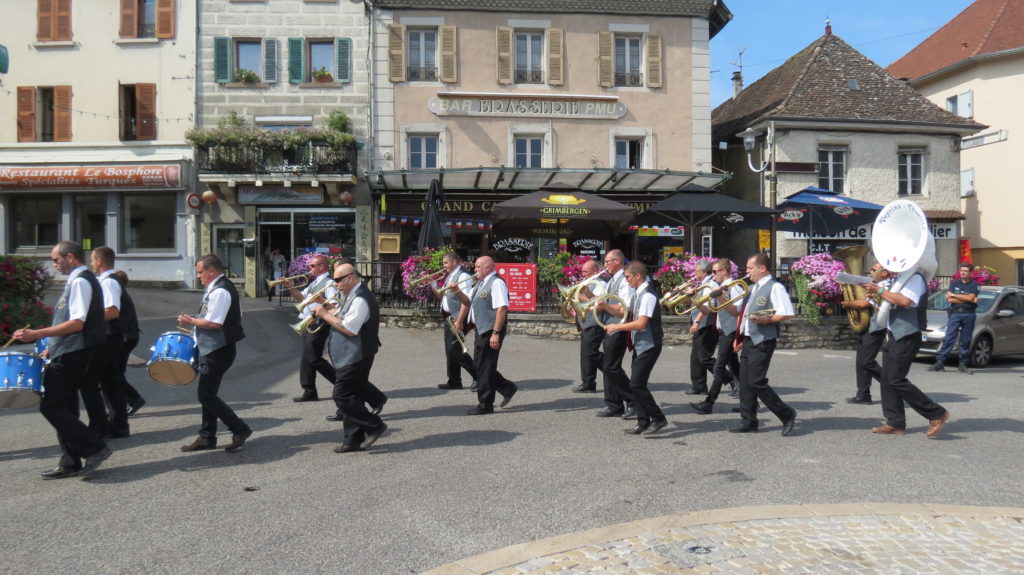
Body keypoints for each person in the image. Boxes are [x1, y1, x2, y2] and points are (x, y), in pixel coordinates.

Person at [14, 241, 112, 479]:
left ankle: (95, 447)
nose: (54, 264)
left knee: (52, 405)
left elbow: (77, 323)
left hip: (74, 353)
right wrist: (52, 346)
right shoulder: (78, 280)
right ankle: (70, 462)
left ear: (70, 257)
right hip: (68, 350)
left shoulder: (80, 282)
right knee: (65, 406)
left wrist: (37, 334)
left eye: (56, 260)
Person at [178, 254, 253, 453]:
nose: (198, 276)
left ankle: (240, 429)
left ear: (211, 271)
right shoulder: (217, 287)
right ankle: (207, 437)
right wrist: (195, 321)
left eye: (200, 272)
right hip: (214, 348)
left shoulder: (221, 291)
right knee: (208, 394)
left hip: (218, 350)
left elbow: (214, 323)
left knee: (206, 396)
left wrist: (190, 321)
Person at [863, 268, 951, 438]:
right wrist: (875, 296)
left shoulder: (914, 279)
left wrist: (879, 291)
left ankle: (936, 413)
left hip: (908, 334)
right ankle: (895, 422)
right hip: (894, 333)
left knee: (896, 379)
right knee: (887, 379)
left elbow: (905, 301)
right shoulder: (897, 279)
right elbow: (888, 303)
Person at [313, 262, 388, 452]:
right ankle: (352, 440)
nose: (335, 284)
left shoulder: (360, 298)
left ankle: (374, 425)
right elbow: (345, 316)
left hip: (356, 355)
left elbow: (349, 329)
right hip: (351, 355)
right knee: (353, 394)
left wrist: (324, 315)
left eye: (338, 280)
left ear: (350, 278)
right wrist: (328, 310)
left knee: (342, 395)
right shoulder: (352, 295)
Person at [731, 253, 797, 436]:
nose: (747, 271)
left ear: (762, 268)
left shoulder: (775, 287)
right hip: (749, 338)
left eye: (750, 268)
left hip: (763, 340)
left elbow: (787, 312)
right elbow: (738, 313)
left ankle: (786, 413)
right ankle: (748, 421)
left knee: (756, 381)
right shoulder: (752, 288)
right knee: (745, 381)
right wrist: (740, 336)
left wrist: (766, 320)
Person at [605, 262, 668, 435]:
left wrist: (616, 327)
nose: (626, 280)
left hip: (649, 345)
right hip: (640, 345)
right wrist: (601, 304)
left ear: (638, 276)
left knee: (636, 384)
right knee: (636, 385)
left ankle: (658, 418)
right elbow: (623, 310)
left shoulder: (648, 295)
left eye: (628, 277)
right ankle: (643, 421)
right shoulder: (637, 293)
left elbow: (641, 323)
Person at [458, 256, 517, 415]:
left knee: (485, 366)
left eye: (478, 267)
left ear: (488, 268)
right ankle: (507, 387)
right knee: (480, 366)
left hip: (491, 330)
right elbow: (468, 302)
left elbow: (502, 308)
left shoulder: (496, 282)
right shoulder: (480, 283)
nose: (475, 270)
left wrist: (495, 333)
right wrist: (456, 291)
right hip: (481, 329)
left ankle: (485, 404)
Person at [691, 258, 742, 414]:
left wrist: (720, 297)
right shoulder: (720, 287)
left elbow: (738, 312)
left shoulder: (735, 288)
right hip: (722, 330)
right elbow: (707, 311)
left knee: (719, 368)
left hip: (731, 331)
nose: (713, 275)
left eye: (714, 272)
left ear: (724, 271)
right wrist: (694, 299)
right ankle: (750, 402)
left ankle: (709, 403)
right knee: (736, 368)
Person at [89, 246, 130, 438]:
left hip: (109, 337)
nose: (91, 263)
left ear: (99, 261)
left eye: (92, 259)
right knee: (109, 381)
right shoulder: (108, 281)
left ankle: (107, 425)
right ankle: (119, 424)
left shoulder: (108, 282)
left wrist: (86, 318)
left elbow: (112, 311)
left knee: (95, 381)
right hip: (111, 336)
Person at [285, 255, 338, 402]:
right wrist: (290, 287)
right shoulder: (314, 283)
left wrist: (321, 302)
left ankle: (342, 384)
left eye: (312, 266)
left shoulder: (329, 283)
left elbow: (334, 306)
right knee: (306, 358)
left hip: (319, 322)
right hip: (307, 322)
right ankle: (309, 391)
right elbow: (301, 298)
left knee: (314, 358)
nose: (310, 268)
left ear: (322, 267)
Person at [594, 249, 635, 419]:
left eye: (607, 261)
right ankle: (613, 404)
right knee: (609, 367)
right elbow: (603, 303)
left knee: (611, 367)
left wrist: (604, 305)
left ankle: (633, 401)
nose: (605, 265)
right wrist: (586, 294)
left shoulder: (625, 280)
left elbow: (624, 309)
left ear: (617, 261)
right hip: (609, 326)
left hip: (619, 327)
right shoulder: (612, 280)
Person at [840, 263, 890, 404]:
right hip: (868, 325)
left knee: (866, 361)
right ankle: (863, 394)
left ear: (884, 272)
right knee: (860, 361)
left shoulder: (885, 285)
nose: (870, 272)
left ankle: (894, 385)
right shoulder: (875, 284)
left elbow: (864, 304)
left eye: (874, 270)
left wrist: (848, 303)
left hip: (876, 327)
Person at [436, 252, 478, 390]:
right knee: (449, 350)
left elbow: (466, 300)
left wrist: (460, 321)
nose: (444, 266)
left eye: (446, 263)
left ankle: (478, 376)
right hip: (449, 317)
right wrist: (433, 285)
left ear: (454, 262)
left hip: (458, 317)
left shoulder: (463, 276)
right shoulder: (451, 275)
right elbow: (445, 296)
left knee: (456, 349)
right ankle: (454, 380)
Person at [929, 262, 980, 375]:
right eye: (961, 271)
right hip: (955, 313)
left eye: (965, 271)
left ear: (970, 273)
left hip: (969, 314)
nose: (963, 273)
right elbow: (950, 299)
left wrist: (955, 295)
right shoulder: (954, 283)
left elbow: (970, 297)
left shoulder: (975, 285)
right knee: (949, 338)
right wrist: (966, 298)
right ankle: (940, 362)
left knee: (965, 340)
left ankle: (963, 364)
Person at [114, 270, 147, 417]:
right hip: (129, 337)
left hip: (125, 338)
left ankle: (133, 399)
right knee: (115, 372)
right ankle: (129, 400)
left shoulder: (118, 296)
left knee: (114, 373)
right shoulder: (122, 295)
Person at [571, 259, 607, 393]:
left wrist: (581, 296)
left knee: (590, 352)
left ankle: (612, 370)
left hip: (595, 322)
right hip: (585, 322)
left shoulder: (601, 284)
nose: (583, 274)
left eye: (586, 272)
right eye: (582, 271)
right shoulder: (586, 282)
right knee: (585, 354)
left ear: (595, 271)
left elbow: (598, 304)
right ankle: (588, 383)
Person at [686, 260, 717, 396]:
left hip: (706, 323)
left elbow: (707, 307)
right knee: (695, 357)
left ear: (704, 272)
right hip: (700, 323)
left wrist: (697, 322)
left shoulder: (710, 285)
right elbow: (696, 302)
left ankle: (730, 378)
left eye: (697, 271)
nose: (695, 273)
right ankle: (699, 386)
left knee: (704, 357)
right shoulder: (702, 284)